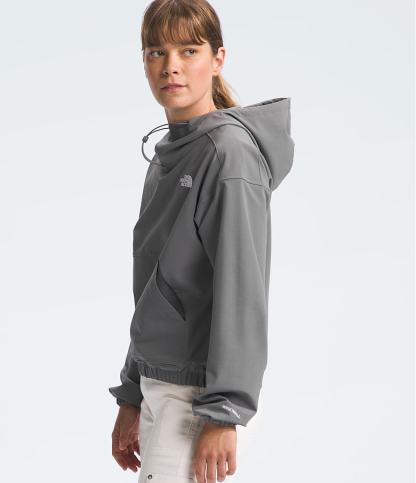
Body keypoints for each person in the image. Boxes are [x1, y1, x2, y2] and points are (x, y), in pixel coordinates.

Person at [108, 0, 295, 482]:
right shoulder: (169, 153)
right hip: (161, 384)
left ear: (218, 59)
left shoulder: (228, 154)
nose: (170, 66)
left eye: (188, 50)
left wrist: (224, 410)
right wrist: (133, 391)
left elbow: (242, 289)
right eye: (156, 52)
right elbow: (159, 285)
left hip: (199, 397)